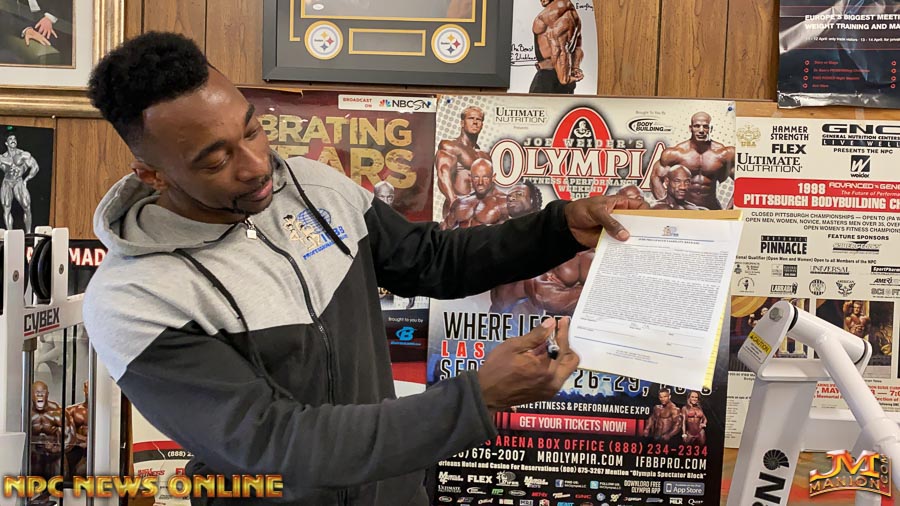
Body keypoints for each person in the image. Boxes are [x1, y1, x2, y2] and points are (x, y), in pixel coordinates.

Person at [82, 32, 646, 505]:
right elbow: (275, 444)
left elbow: (432, 261)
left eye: (251, 130)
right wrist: (475, 398)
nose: (256, 166)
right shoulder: (136, 299)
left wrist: (560, 228)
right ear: (152, 174)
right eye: (216, 159)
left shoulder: (313, 186)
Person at [650, 112, 735, 210]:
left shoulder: (723, 154)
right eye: (697, 126)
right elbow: (655, 177)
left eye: (705, 127)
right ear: (690, 128)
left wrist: (729, 209)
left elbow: (742, 181)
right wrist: (669, 206)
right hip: (684, 209)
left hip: (712, 209)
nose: (701, 130)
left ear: (710, 129)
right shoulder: (676, 154)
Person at [434, 105, 490, 215]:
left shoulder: (485, 156)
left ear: (482, 125)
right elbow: (443, 172)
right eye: (471, 118)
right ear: (462, 123)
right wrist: (452, 199)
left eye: (478, 119)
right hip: (458, 208)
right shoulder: (451, 146)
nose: (475, 122)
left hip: (478, 211)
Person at [530, 0, 584, 94]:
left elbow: (559, 47)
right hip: (563, 75)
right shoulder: (574, 15)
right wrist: (575, 68)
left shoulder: (553, 12)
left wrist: (564, 79)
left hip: (550, 80)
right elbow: (577, 47)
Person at [440, 158, 510, 229]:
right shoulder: (459, 203)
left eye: (485, 177)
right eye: (476, 177)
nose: (480, 182)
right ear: (470, 178)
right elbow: (444, 229)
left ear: (493, 177)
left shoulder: (504, 202)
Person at [0, 133, 40, 231]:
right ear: (6, 143)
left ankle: (29, 233)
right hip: (7, 181)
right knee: (6, 207)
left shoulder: (23, 155)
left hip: (18, 181)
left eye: (14, 138)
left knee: (27, 206)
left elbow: (35, 167)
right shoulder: (2, 158)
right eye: (10, 139)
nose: (13, 140)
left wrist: (27, 179)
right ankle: (9, 233)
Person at [65, 380, 90, 477]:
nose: (90, 391)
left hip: (96, 449)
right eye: (88, 387)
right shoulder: (72, 410)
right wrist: (84, 439)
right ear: (84, 389)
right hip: (76, 448)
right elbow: (66, 431)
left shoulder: (105, 412)